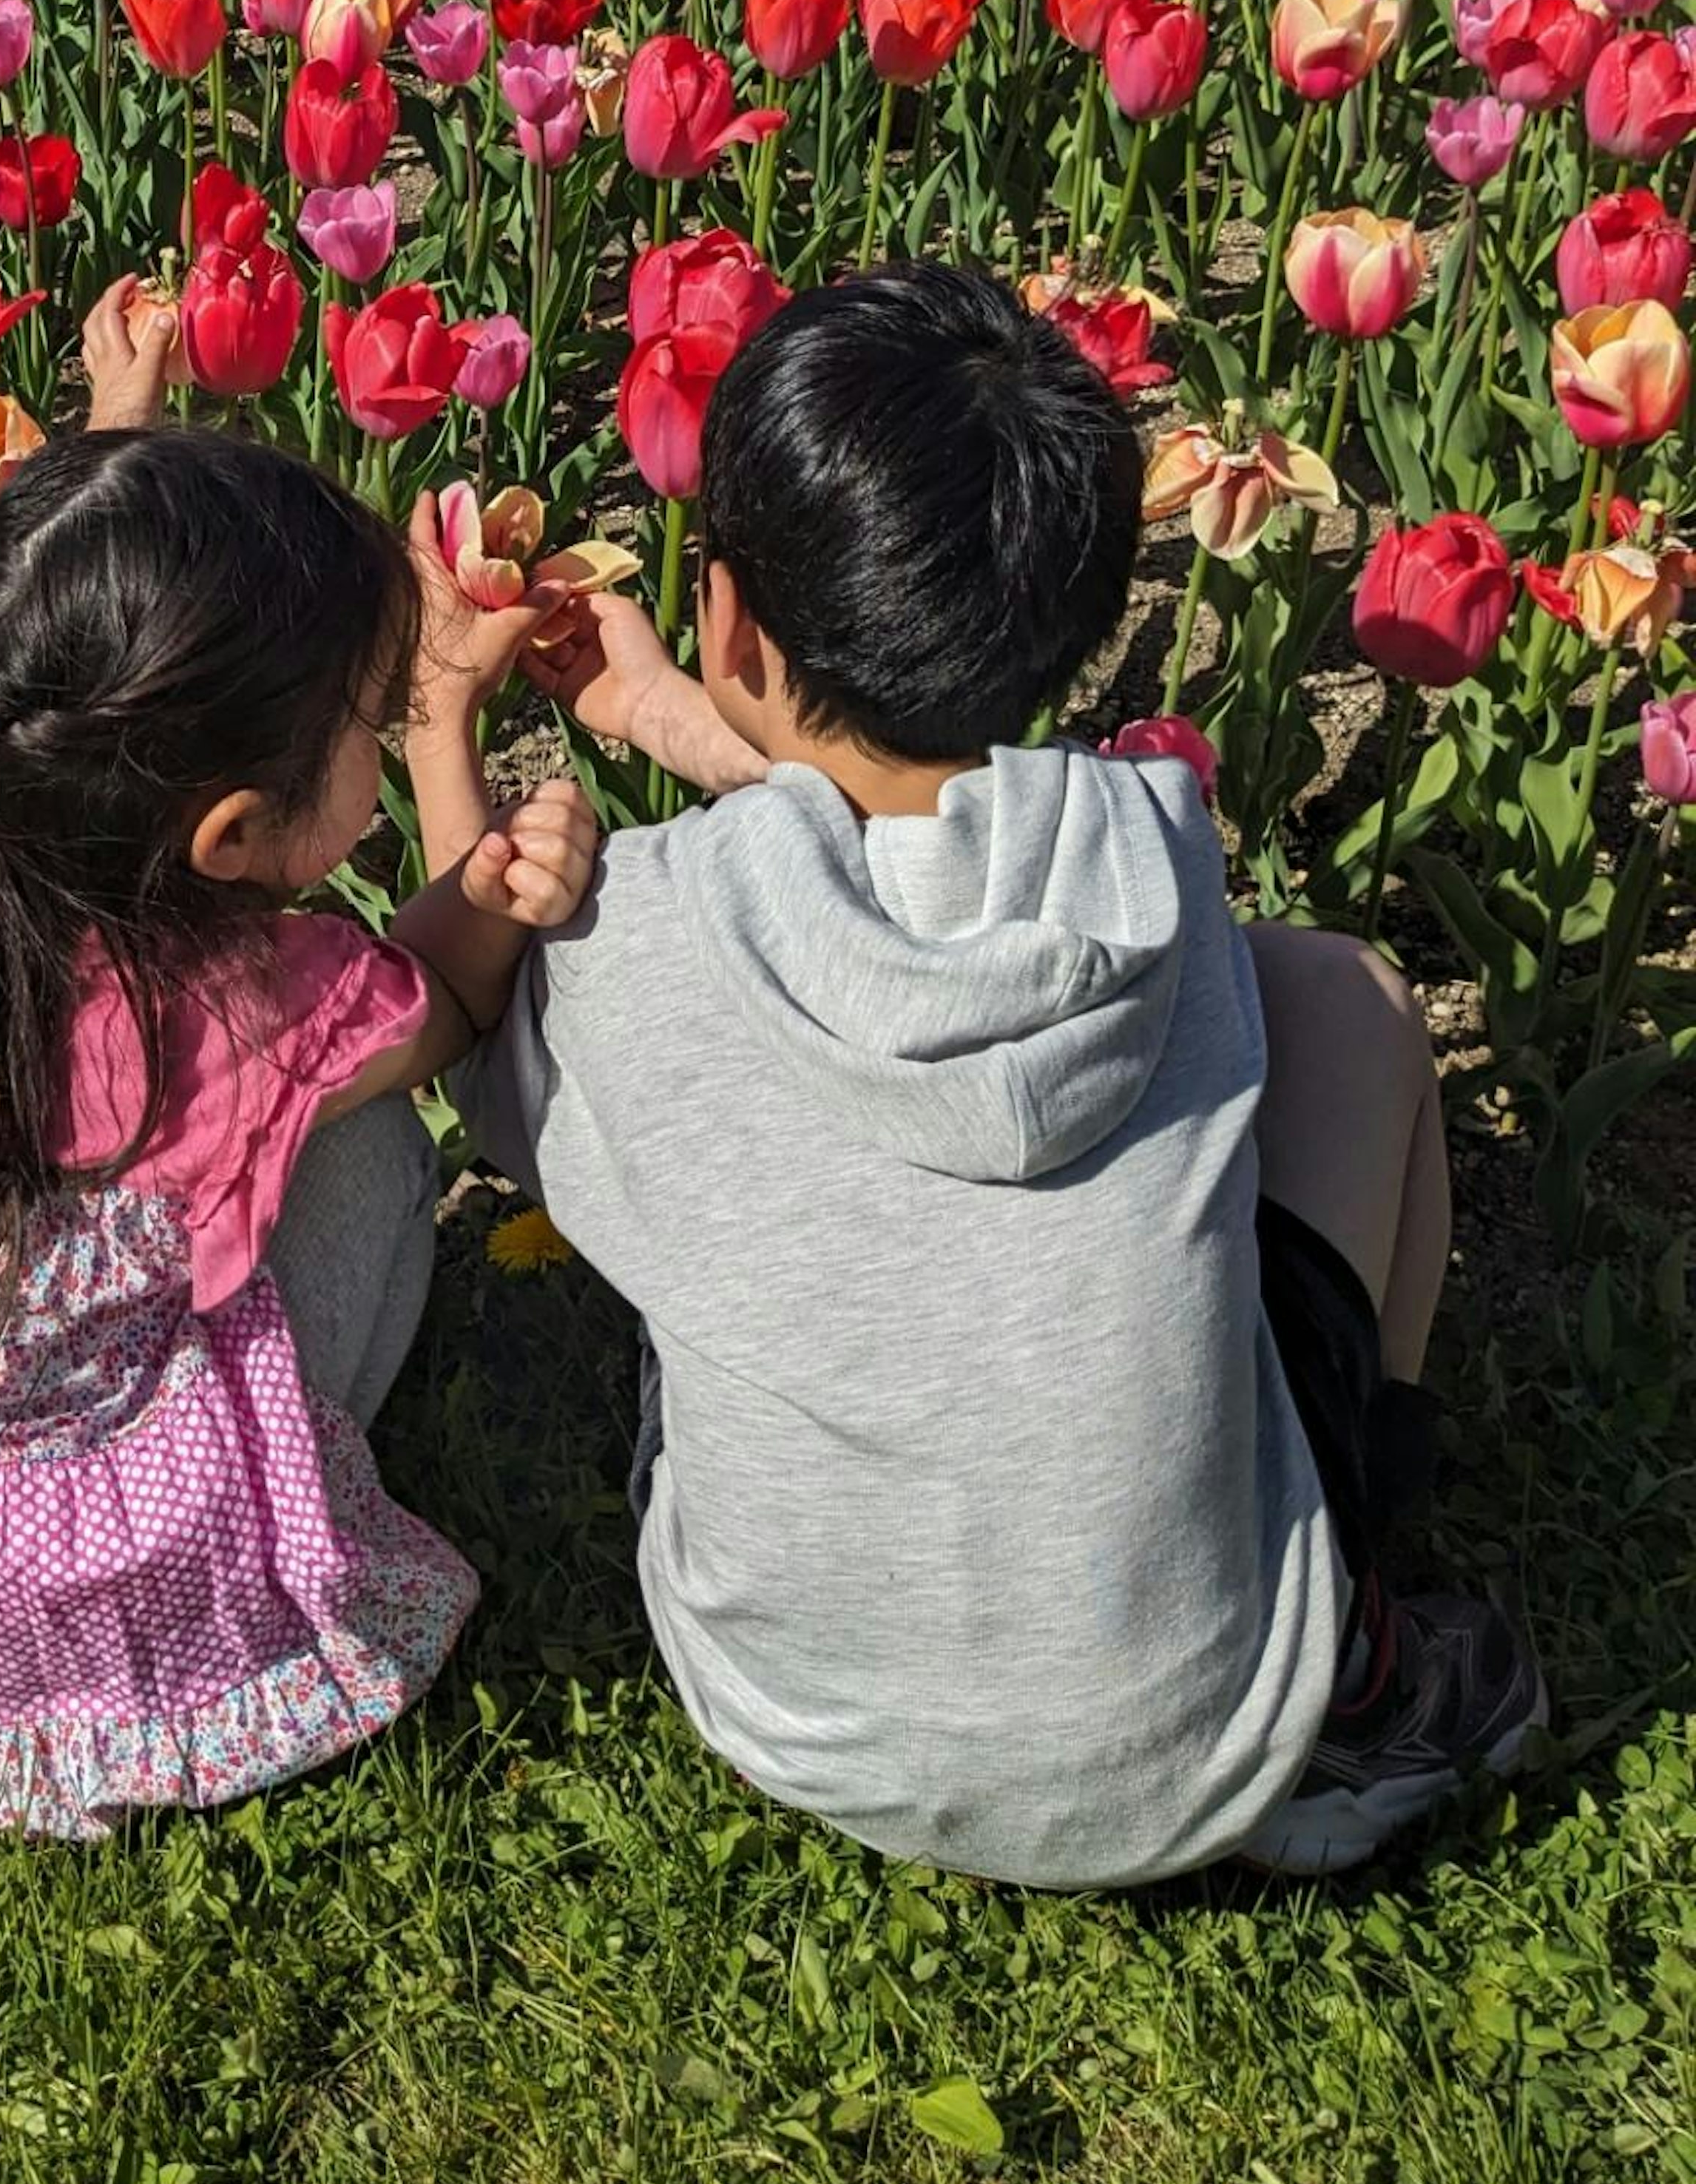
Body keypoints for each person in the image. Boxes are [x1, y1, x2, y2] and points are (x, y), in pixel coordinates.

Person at [474, 262, 1544, 1889]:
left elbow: (492, 1065)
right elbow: (915, 843)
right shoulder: (1150, 870)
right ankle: (1362, 1588)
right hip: (1214, 1723)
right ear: (1074, 619)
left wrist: (503, 734)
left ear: (728, 615)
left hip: (799, 1718)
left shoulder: (645, 938)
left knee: (709, 1206)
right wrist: (697, 725)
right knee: (1349, 995)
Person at [0, 285, 595, 1836]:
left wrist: (113, 432)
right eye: (364, 722)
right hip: (56, 1581)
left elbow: (13, 646)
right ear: (231, 836)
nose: (382, 731)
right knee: (378, 1155)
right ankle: (282, 1480)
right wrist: (452, 748)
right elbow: (448, 999)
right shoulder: (247, 1010)